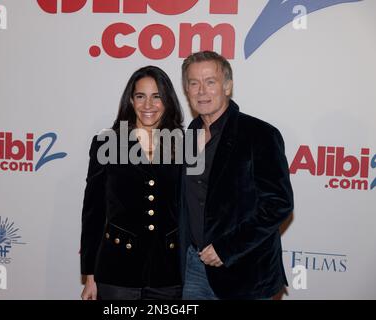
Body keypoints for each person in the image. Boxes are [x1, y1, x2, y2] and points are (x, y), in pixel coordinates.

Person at [179, 51, 294, 300]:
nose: (202, 91)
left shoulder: (260, 134)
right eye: (194, 83)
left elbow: (278, 204)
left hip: (246, 274)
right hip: (193, 268)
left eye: (210, 82)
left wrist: (227, 248)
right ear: (186, 90)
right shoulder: (187, 136)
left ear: (228, 86)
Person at [80, 66, 184, 300]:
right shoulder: (107, 143)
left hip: (168, 273)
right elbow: (94, 211)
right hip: (117, 270)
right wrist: (90, 274)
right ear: (131, 99)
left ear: (167, 100)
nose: (148, 105)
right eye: (140, 96)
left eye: (156, 96)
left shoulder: (184, 144)